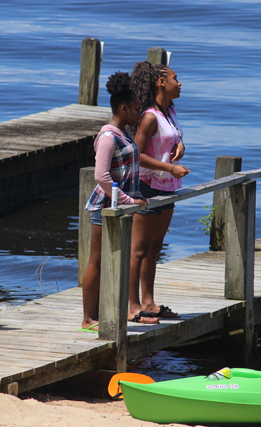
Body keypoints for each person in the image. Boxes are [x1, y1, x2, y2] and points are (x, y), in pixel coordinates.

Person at [80, 71, 151, 333]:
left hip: (121, 206)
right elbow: (101, 175)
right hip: (105, 207)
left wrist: (137, 196)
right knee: (96, 262)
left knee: (112, 262)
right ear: (123, 108)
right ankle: (89, 318)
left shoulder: (124, 134)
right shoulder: (109, 137)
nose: (138, 113)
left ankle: (106, 312)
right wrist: (125, 198)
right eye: (135, 108)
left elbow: (128, 170)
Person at [128, 61, 191, 320]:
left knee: (155, 249)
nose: (181, 83)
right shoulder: (151, 116)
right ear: (161, 82)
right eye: (176, 78)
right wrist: (169, 166)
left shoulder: (169, 112)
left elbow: (173, 139)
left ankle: (150, 302)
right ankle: (132, 307)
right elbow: (135, 154)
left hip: (167, 187)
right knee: (139, 250)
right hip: (147, 187)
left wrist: (181, 147)